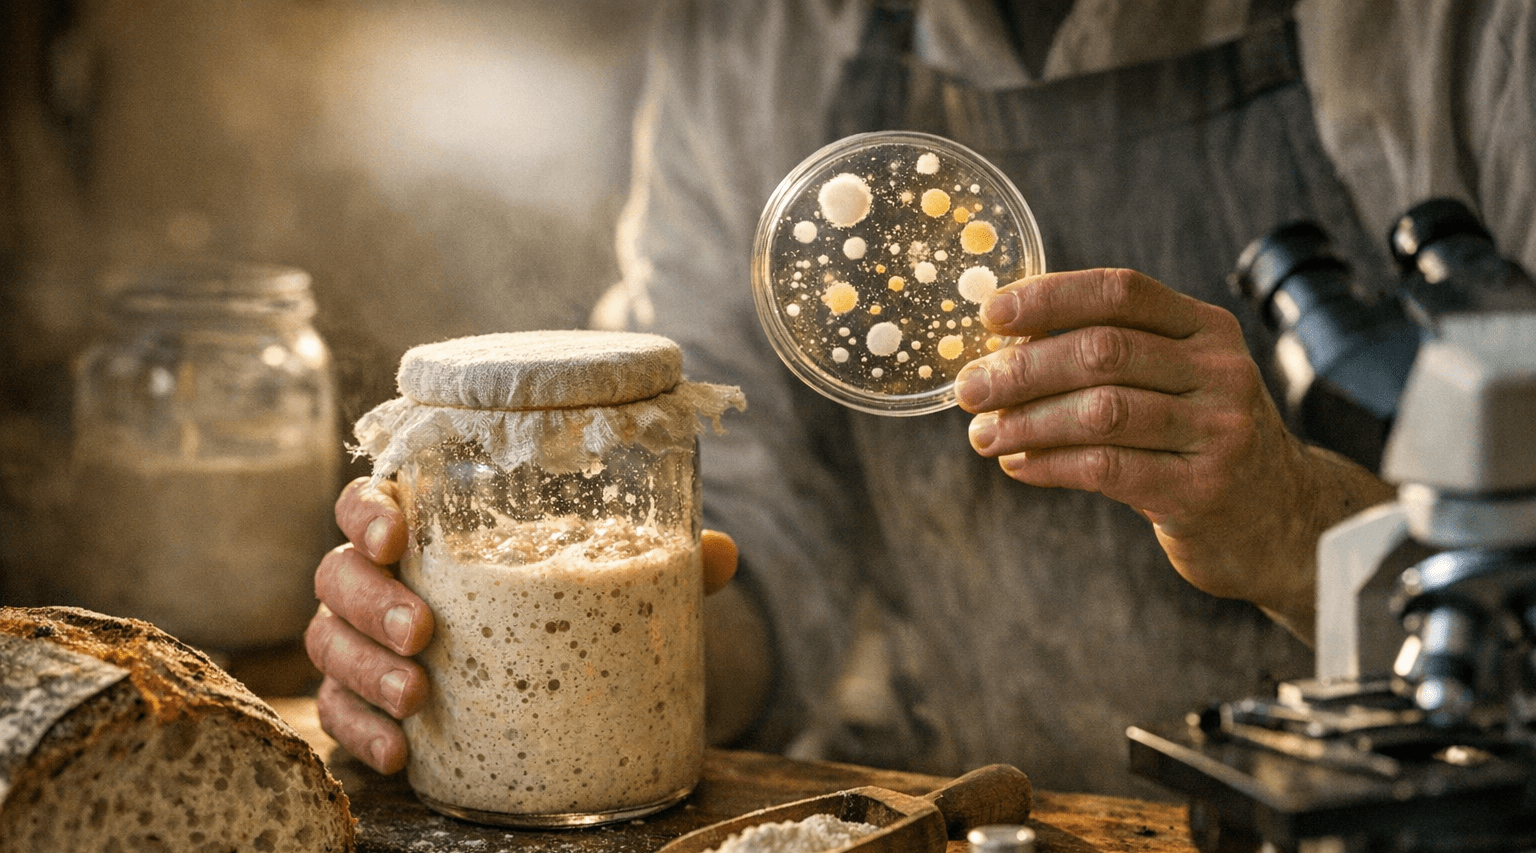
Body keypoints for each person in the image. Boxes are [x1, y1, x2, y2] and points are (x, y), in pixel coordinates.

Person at [308, 0, 1536, 795]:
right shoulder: (758, 37)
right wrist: (534, 652)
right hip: (951, 838)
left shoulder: (1456, 35)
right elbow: (750, 540)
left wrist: (1295, 522)